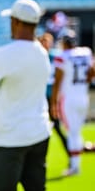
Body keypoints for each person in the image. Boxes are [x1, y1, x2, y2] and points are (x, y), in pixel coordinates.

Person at [0, 0, 52, 191]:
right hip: (39, 133)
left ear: (15, 22)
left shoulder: (3, 54)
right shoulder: (42, 53)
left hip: (9, 139)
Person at [50, 29, 95, 176]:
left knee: (72, 133)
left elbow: (57, 81)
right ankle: (77, 160)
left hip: (68, 99)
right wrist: (85, 83)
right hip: (83, 96)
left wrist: (54, 103)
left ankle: (75, 166)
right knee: (76, 132)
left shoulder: (63, 57)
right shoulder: (85, 52)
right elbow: (92, 71)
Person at [38, 33, 69, 158]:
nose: (45, 44)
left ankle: (70, 153)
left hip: (52, 97)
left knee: (57, 126)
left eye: (47, 41)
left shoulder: (56, 57)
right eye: (43, 41)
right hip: (39, 97)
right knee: (40, 127)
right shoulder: (37, 57)